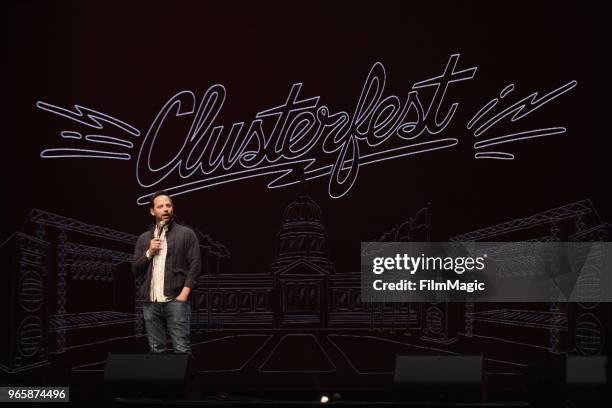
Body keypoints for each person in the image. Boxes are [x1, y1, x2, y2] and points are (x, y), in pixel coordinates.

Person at [132, 191, 201, 354]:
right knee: (156, 349)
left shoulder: (186, 234)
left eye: (168, 205)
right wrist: (149, 252)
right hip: (151, 302)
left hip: (175, 300)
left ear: (172, 208)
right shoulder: (144, 239)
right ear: (152, 211)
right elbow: (135, 269)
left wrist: (183, 296)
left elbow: (195, 266)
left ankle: (185, 380)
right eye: (160, 206)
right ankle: (161, 380)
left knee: (181, 348)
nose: (165, 209)